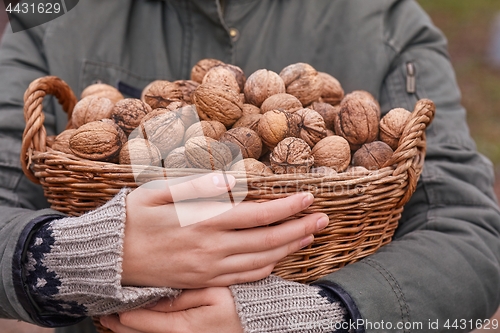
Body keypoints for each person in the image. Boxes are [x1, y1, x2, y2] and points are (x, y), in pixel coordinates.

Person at [1, 0, 500, 332]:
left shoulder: (385, 19)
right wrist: (75, 254)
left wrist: (319, 314)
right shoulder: (51, 13)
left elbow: (469, 231)